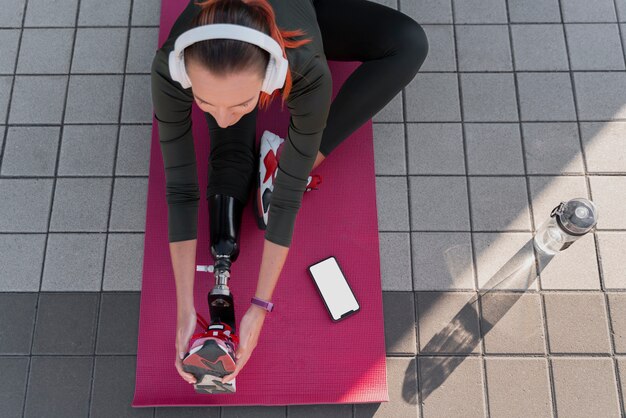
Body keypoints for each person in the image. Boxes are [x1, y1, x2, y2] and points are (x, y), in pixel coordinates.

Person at [151, 0, 428, 386]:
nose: (223, 116)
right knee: (228, 150)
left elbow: (287, 198)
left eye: (243, 103)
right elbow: (181, 188)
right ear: (184, 72)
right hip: (239, 38)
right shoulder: (170, 65)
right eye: (204, 101)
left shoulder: (305, 67)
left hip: (299, 13)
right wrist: (185, 310)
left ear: (271, 75)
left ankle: (280, 160)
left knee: (410, 42)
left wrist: (259, 308)